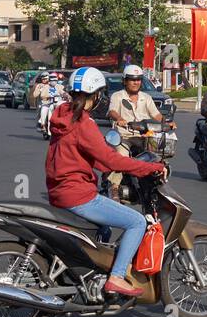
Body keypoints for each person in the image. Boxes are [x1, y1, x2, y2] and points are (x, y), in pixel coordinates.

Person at [45, 67, 167, 298]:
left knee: (105, 227)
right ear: (97, 95)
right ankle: (117, 277)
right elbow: (112, 159)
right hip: (77, 195)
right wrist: (152, 168)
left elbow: (77, 155)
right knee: (136, 222)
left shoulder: (62, 115)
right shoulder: (84, 123)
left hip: (58, 190)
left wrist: (104, 165)